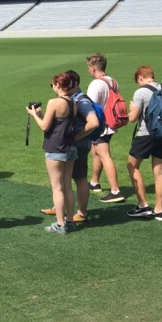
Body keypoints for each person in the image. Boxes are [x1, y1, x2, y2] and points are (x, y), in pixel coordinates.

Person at [40, 71, 100, 222]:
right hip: (70, 144)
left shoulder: (80, 101)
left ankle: (81, 212)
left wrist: (76, 137)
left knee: (79, 179)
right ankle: (60, 208)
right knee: (64, 183)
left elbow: (93, 122)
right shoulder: (72, 100)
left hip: (77, 144)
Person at [28, 73, 78, 235]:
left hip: (56, 148)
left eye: (53, 85)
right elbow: (57, 123)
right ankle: (70, 221)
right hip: (70, 147)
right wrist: (42, 115)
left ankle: (60, 223)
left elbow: (44, 127)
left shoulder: (54, 102)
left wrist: (34, 114)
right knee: (67, 186)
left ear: (58, 85)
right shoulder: (73, 103)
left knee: (57, 188)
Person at [126, 66, 162, 221]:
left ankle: (143, 205)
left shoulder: (141, 92)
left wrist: (131, 108)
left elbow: (132, 118)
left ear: (140, 78)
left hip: (146, 133)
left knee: (132, 165)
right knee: (159, 172)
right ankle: (159, 210)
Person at [86, 53, 125, 204]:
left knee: (104, 154)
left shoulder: (96, 84)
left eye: (89, 67)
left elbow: (89, 106)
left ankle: (115, 190)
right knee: (96, 151)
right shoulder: (113, 81)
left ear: (93, 67)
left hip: (101, 124)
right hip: (111, 122)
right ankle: (94, 182)